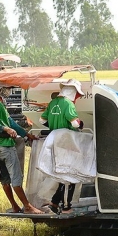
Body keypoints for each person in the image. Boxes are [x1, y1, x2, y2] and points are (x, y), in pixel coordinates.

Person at [0, 83, 43, 214]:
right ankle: (27, 206)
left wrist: (26, 134)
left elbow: (11, 123)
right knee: (16, 177)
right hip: (5, 145)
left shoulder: (0, 103)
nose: (10, 91)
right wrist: (5, 129)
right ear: (1, 89)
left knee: (5, 179)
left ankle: (15, 206)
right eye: (9, 89)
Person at [40, 79, 84, 214]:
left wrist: (55, 127)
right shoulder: (68, 103)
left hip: (55, 140)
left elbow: (42, 120)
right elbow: (75, 124)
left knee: (63, 174)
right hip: (66, 142)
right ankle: (66, 207)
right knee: (69, 176)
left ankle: (54, 202)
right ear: (73, 92)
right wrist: (80, 123)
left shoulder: (53, 103)